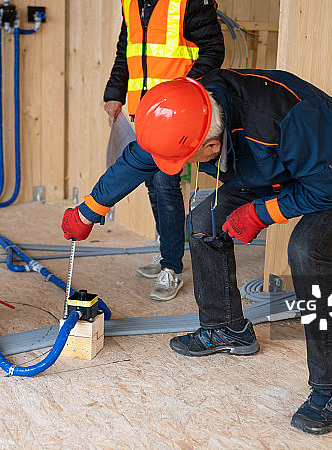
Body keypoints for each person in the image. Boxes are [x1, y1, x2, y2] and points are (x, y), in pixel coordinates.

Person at [62, 70, 332, 434]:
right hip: (272, 168)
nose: (184, 166)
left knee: (307, 251)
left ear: (211, 147)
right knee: (204, 220)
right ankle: (227, 329)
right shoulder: (186, 112)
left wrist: (261, 212)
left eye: (188, 160)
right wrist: (89, 210)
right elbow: (138, 159)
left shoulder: (290, 120)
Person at [102, 0, 224, 302]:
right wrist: (114, 94)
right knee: (153, 186)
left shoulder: (189, 2)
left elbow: (213, 50)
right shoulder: (131, 4)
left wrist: (183, 89)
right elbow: (125, 52)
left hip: (175, 114)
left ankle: (171, 267)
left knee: (164, 184)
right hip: (144, 113)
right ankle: (166, 253)